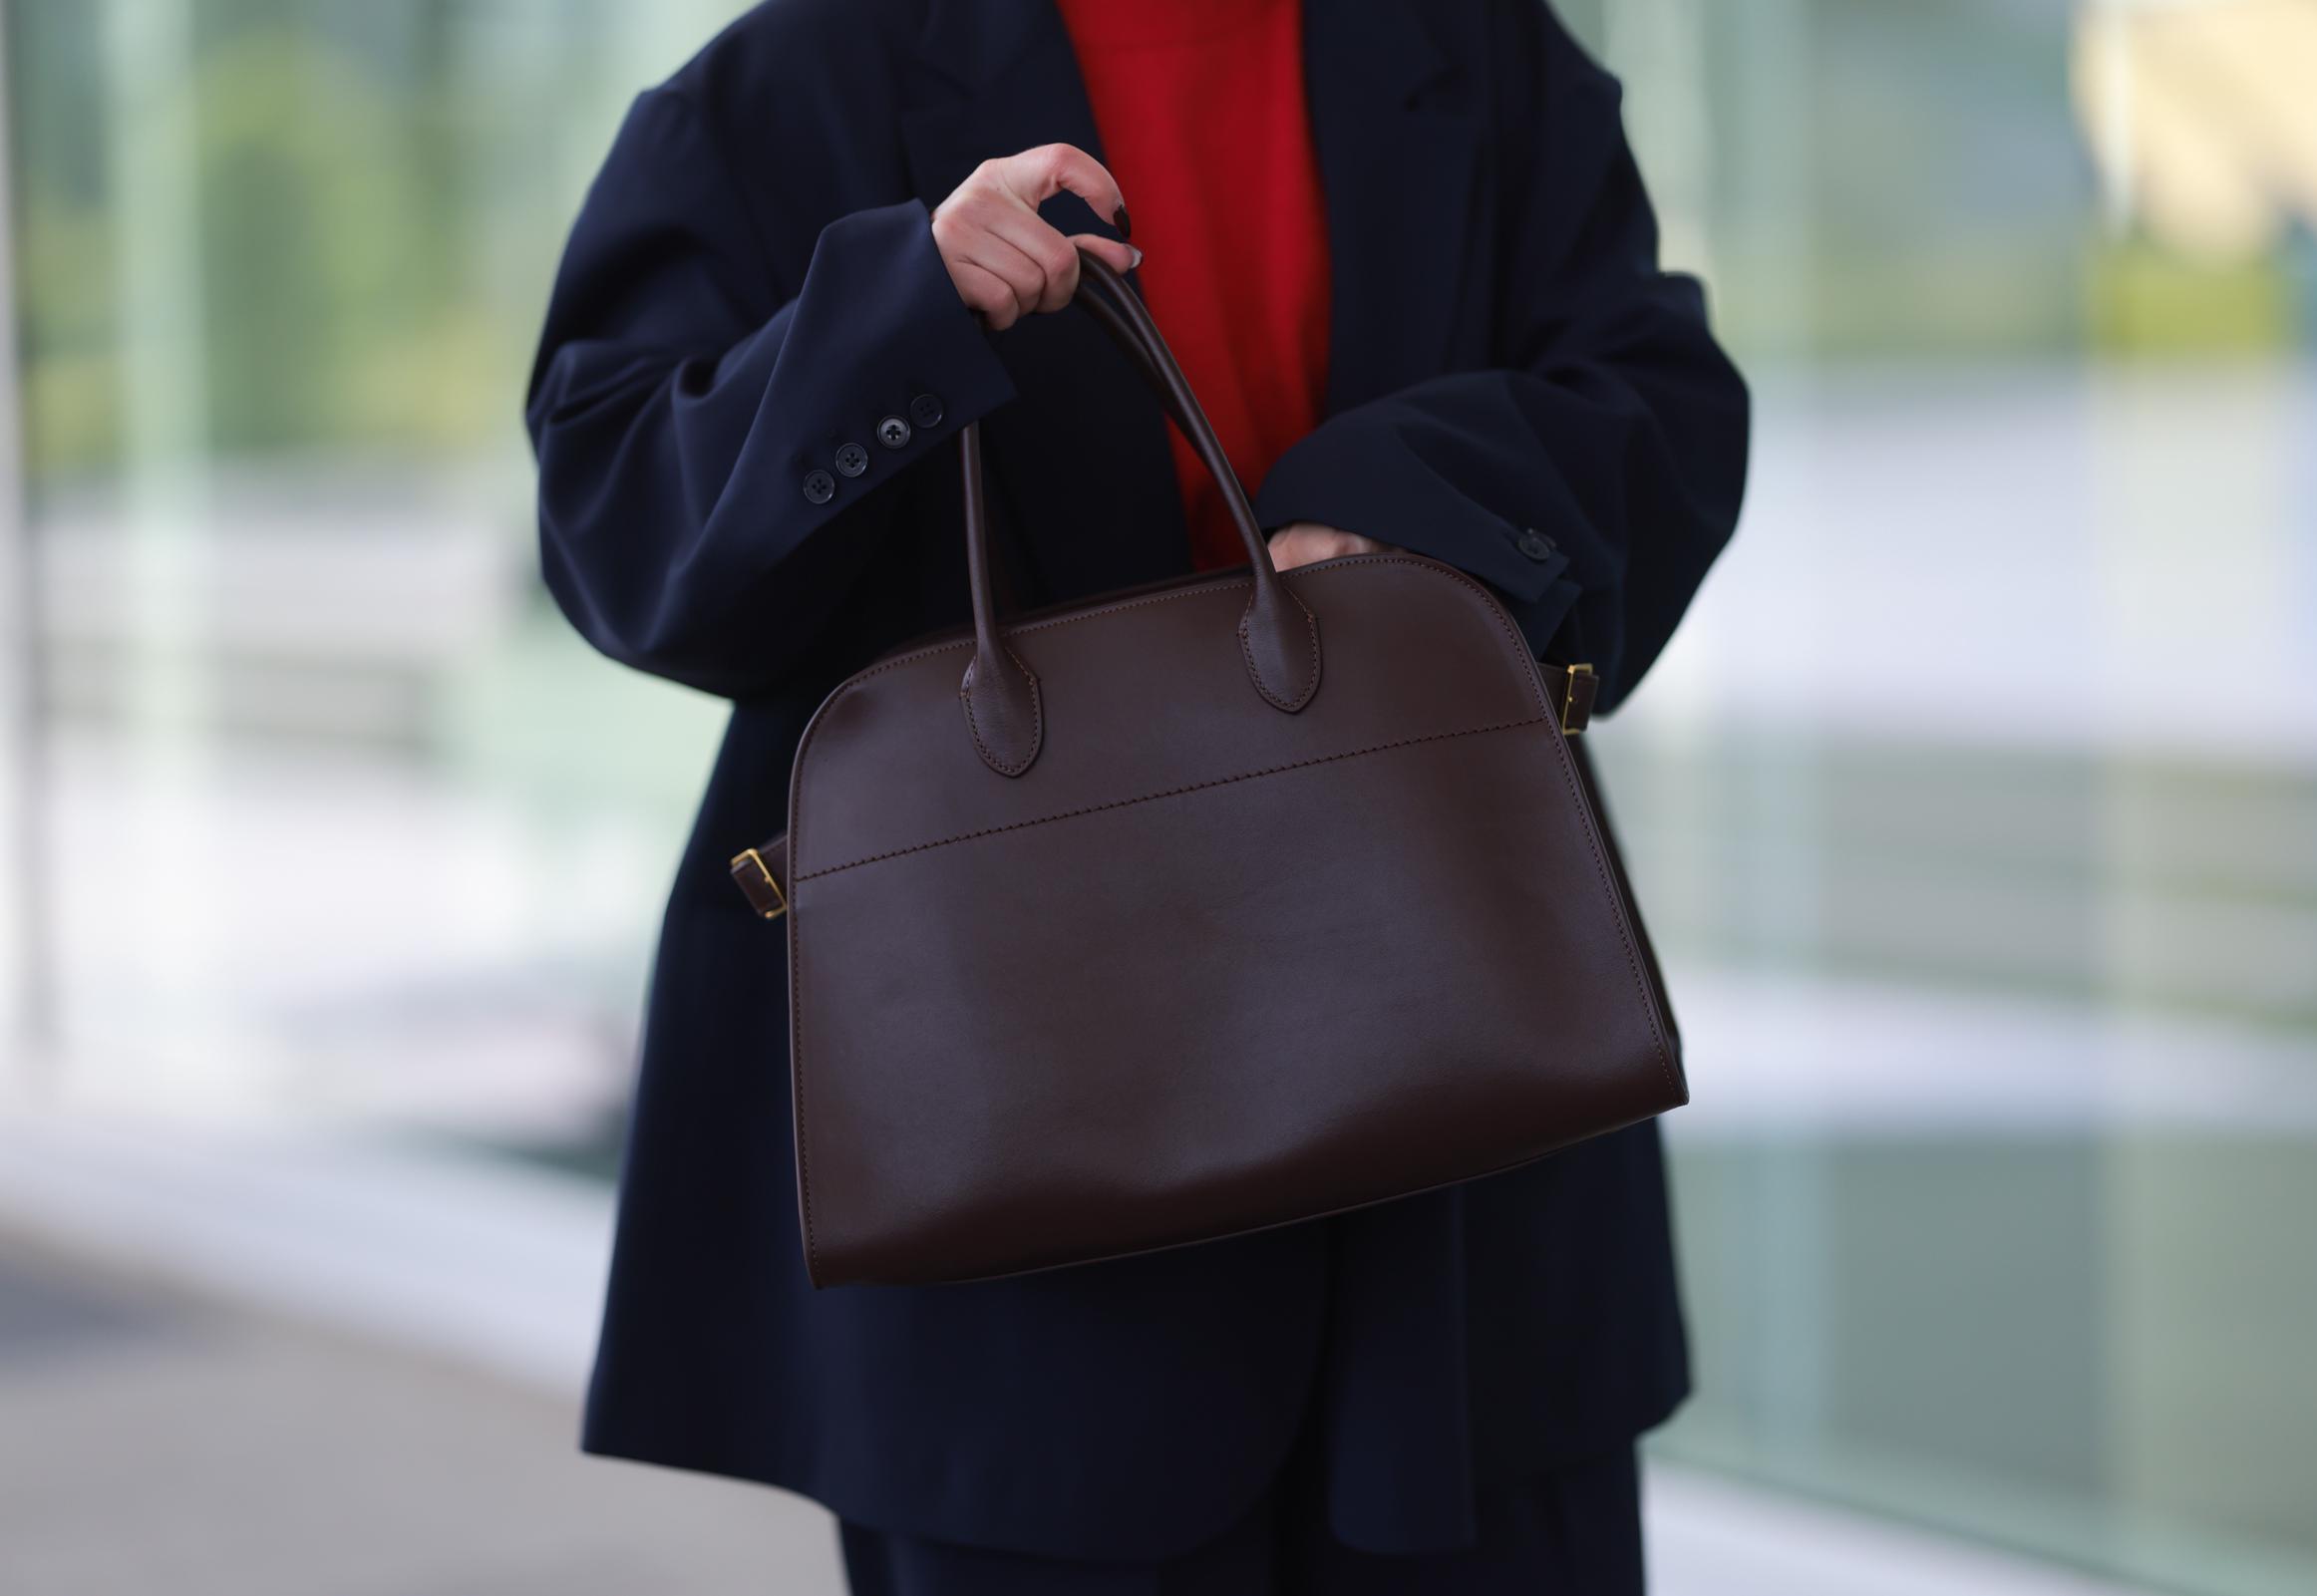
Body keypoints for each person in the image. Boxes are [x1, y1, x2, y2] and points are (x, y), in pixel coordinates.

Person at [526, 0, 1748, 1589]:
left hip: (1456, 1144)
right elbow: (624, 532)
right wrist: (895, 312)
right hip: (1015, 1211)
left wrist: (1416, 510)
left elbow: (1659, 394)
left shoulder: (1474, 42)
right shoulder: (792, 80)